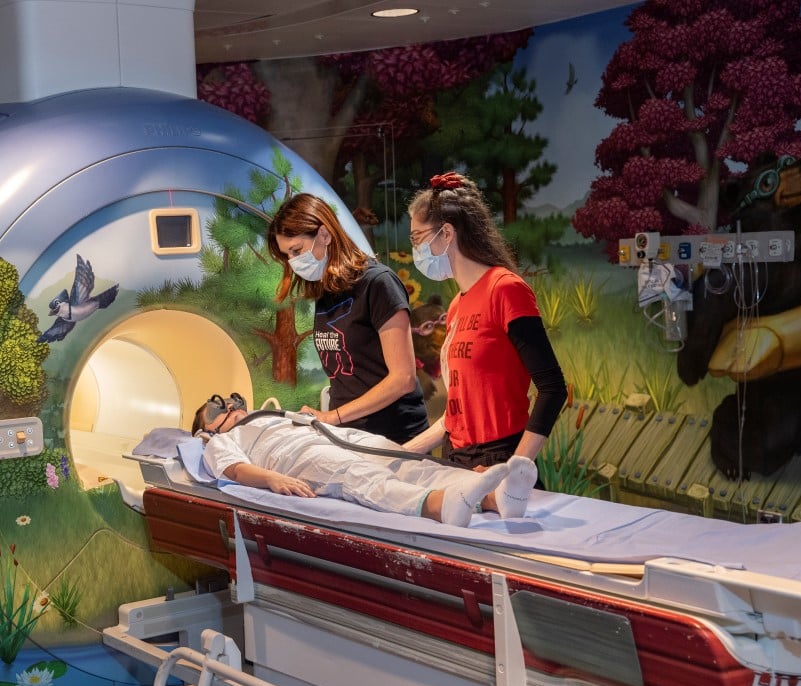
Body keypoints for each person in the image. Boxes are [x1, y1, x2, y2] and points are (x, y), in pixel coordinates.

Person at [402, 172, 567, 516]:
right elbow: (457, 412)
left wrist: (514, 475)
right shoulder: (457, 304)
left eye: (418, 238)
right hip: (456, 463)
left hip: (499, 461)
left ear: (447, 233)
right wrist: (401, 454)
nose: (414, 250)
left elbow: (552, 388)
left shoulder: (505, 289)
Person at [190, 396, 539, 527]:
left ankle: (497, 499)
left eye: (232, 400)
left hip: (339, 437)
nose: (232, 407)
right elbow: (234, 470)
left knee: (402, 459)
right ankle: (437, 506)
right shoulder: (220, 440)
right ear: (205, 429)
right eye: (218, 409)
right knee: (355, 475)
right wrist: (270, 479)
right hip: (299, 457)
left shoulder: (275, 414)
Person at [267, 193, 429, 443]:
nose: (293, 262)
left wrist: (332, 417)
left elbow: (403, 379)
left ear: (324, 234)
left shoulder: (378, 283)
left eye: (296, 250)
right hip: (348, 435)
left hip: (394, 437)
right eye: (287, 255)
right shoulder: (326, 293)